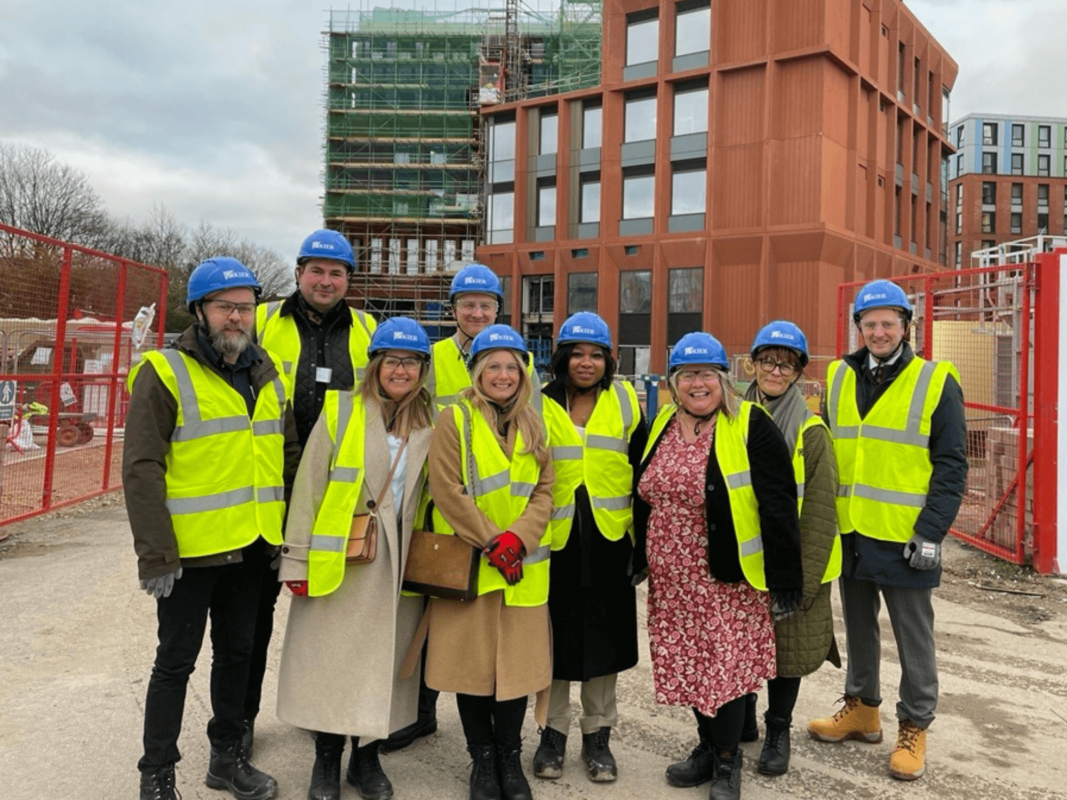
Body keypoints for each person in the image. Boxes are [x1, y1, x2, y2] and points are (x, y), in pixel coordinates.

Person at [124, 258, 299, 800]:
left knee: (237, 656)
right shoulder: (165, 371)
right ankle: (156, 774)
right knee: (174, 663)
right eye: (225, 306)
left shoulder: (266, 371)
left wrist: (285, 536)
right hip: (190, 553)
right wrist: (156, 555)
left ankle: (228, 759)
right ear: (199, 311)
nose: (236, 317)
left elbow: (286, 456)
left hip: (253, 546)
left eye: (245, 307)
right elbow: (142, 467)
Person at [807, 280, 967, 781]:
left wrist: (931, 533)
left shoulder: (936, 380)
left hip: (907, 537)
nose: (878, 332)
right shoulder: (838, 375)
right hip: (852, 530)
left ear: (905, 326)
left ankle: (915, 724)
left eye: (888, 323)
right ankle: (862, 708)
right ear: (859, 327)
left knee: (913, 636)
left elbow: (951, 464)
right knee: (857, 625)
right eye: (869, 323)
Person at [635, 332, 802, 800]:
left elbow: (778, 502)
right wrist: (637, 558)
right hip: (672, 578)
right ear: (674, 382)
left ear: (724, 379)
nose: (697, 383)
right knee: (689, 666)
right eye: (687, 375)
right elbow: (644, 494)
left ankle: (728, 761)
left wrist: (786, 575)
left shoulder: (750, 423)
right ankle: (708, 747)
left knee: (723, 669)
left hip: (725, 577)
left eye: (707, 373)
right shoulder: (663, 422)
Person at [275, 317, 435, 800]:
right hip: (343, 557)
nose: (401, 370)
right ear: (376, 365)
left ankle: (366, 760)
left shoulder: (433, 421)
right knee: (334, 662)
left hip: (398, 560)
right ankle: (327, 760)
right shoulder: (342, 410)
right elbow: (309, 485)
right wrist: (297, 560)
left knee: (384, 666)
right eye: (392, 360)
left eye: (411, 362)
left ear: (423, 369)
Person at [386, 262, 537, 755]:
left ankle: (467, 730)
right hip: (434, 506)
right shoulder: (430, 359)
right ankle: (421, 714)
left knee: (465, 623)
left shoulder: (515, 359)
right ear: (453, 310)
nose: (476, 311)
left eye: (485, 304)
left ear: (497, 309)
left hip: (495, 516)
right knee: (433, 615)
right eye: (468, 304)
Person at [246, 228, 377, 755]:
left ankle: (326, 712)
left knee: (335, 614)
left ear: (349, 280)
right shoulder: (258, 321)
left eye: (337, 272)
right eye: (316, 270)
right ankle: (239, 727)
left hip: (338, 494)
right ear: (298, 273)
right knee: (250, 622)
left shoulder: (368, 330)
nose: (326, 281)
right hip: (268, 487)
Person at [423, 324, 554, 800]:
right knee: (472, 669)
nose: (503, 375)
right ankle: (481, 759)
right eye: (493, 366)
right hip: (473, 565)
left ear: (523, 373)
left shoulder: (534, 424)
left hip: (522, 567)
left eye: (511, 367)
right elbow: (447, 490)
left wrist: (518, 540)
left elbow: (544, 490)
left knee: (515, 670)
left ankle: (509, 758)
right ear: (477, 372)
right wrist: (492, 541)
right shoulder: (453, 420)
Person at [534, 312, 648, 783]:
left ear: (608, 360)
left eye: (596, 354)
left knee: (606, 639)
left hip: (610, 539)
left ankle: (598, 736)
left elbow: (644, 475)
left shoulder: (627, 401)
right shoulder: (538, 403)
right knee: (554, 640)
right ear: (562, 357)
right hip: (556, 541)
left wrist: (641, 546)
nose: (586, 362)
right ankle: (552, 734)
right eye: (577, 353)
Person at [738, 321, 841, 776]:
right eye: (767, 361)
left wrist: (805, 578)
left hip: (794, 561)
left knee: (787, 652)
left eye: (786, 363)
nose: (775, 371)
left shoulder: (811, 430)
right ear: (753, 364)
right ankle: (740, 719)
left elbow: (820, 510)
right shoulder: (731, 417)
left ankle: (777, 729)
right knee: (738, 644)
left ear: (799, 371)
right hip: (746, 556)